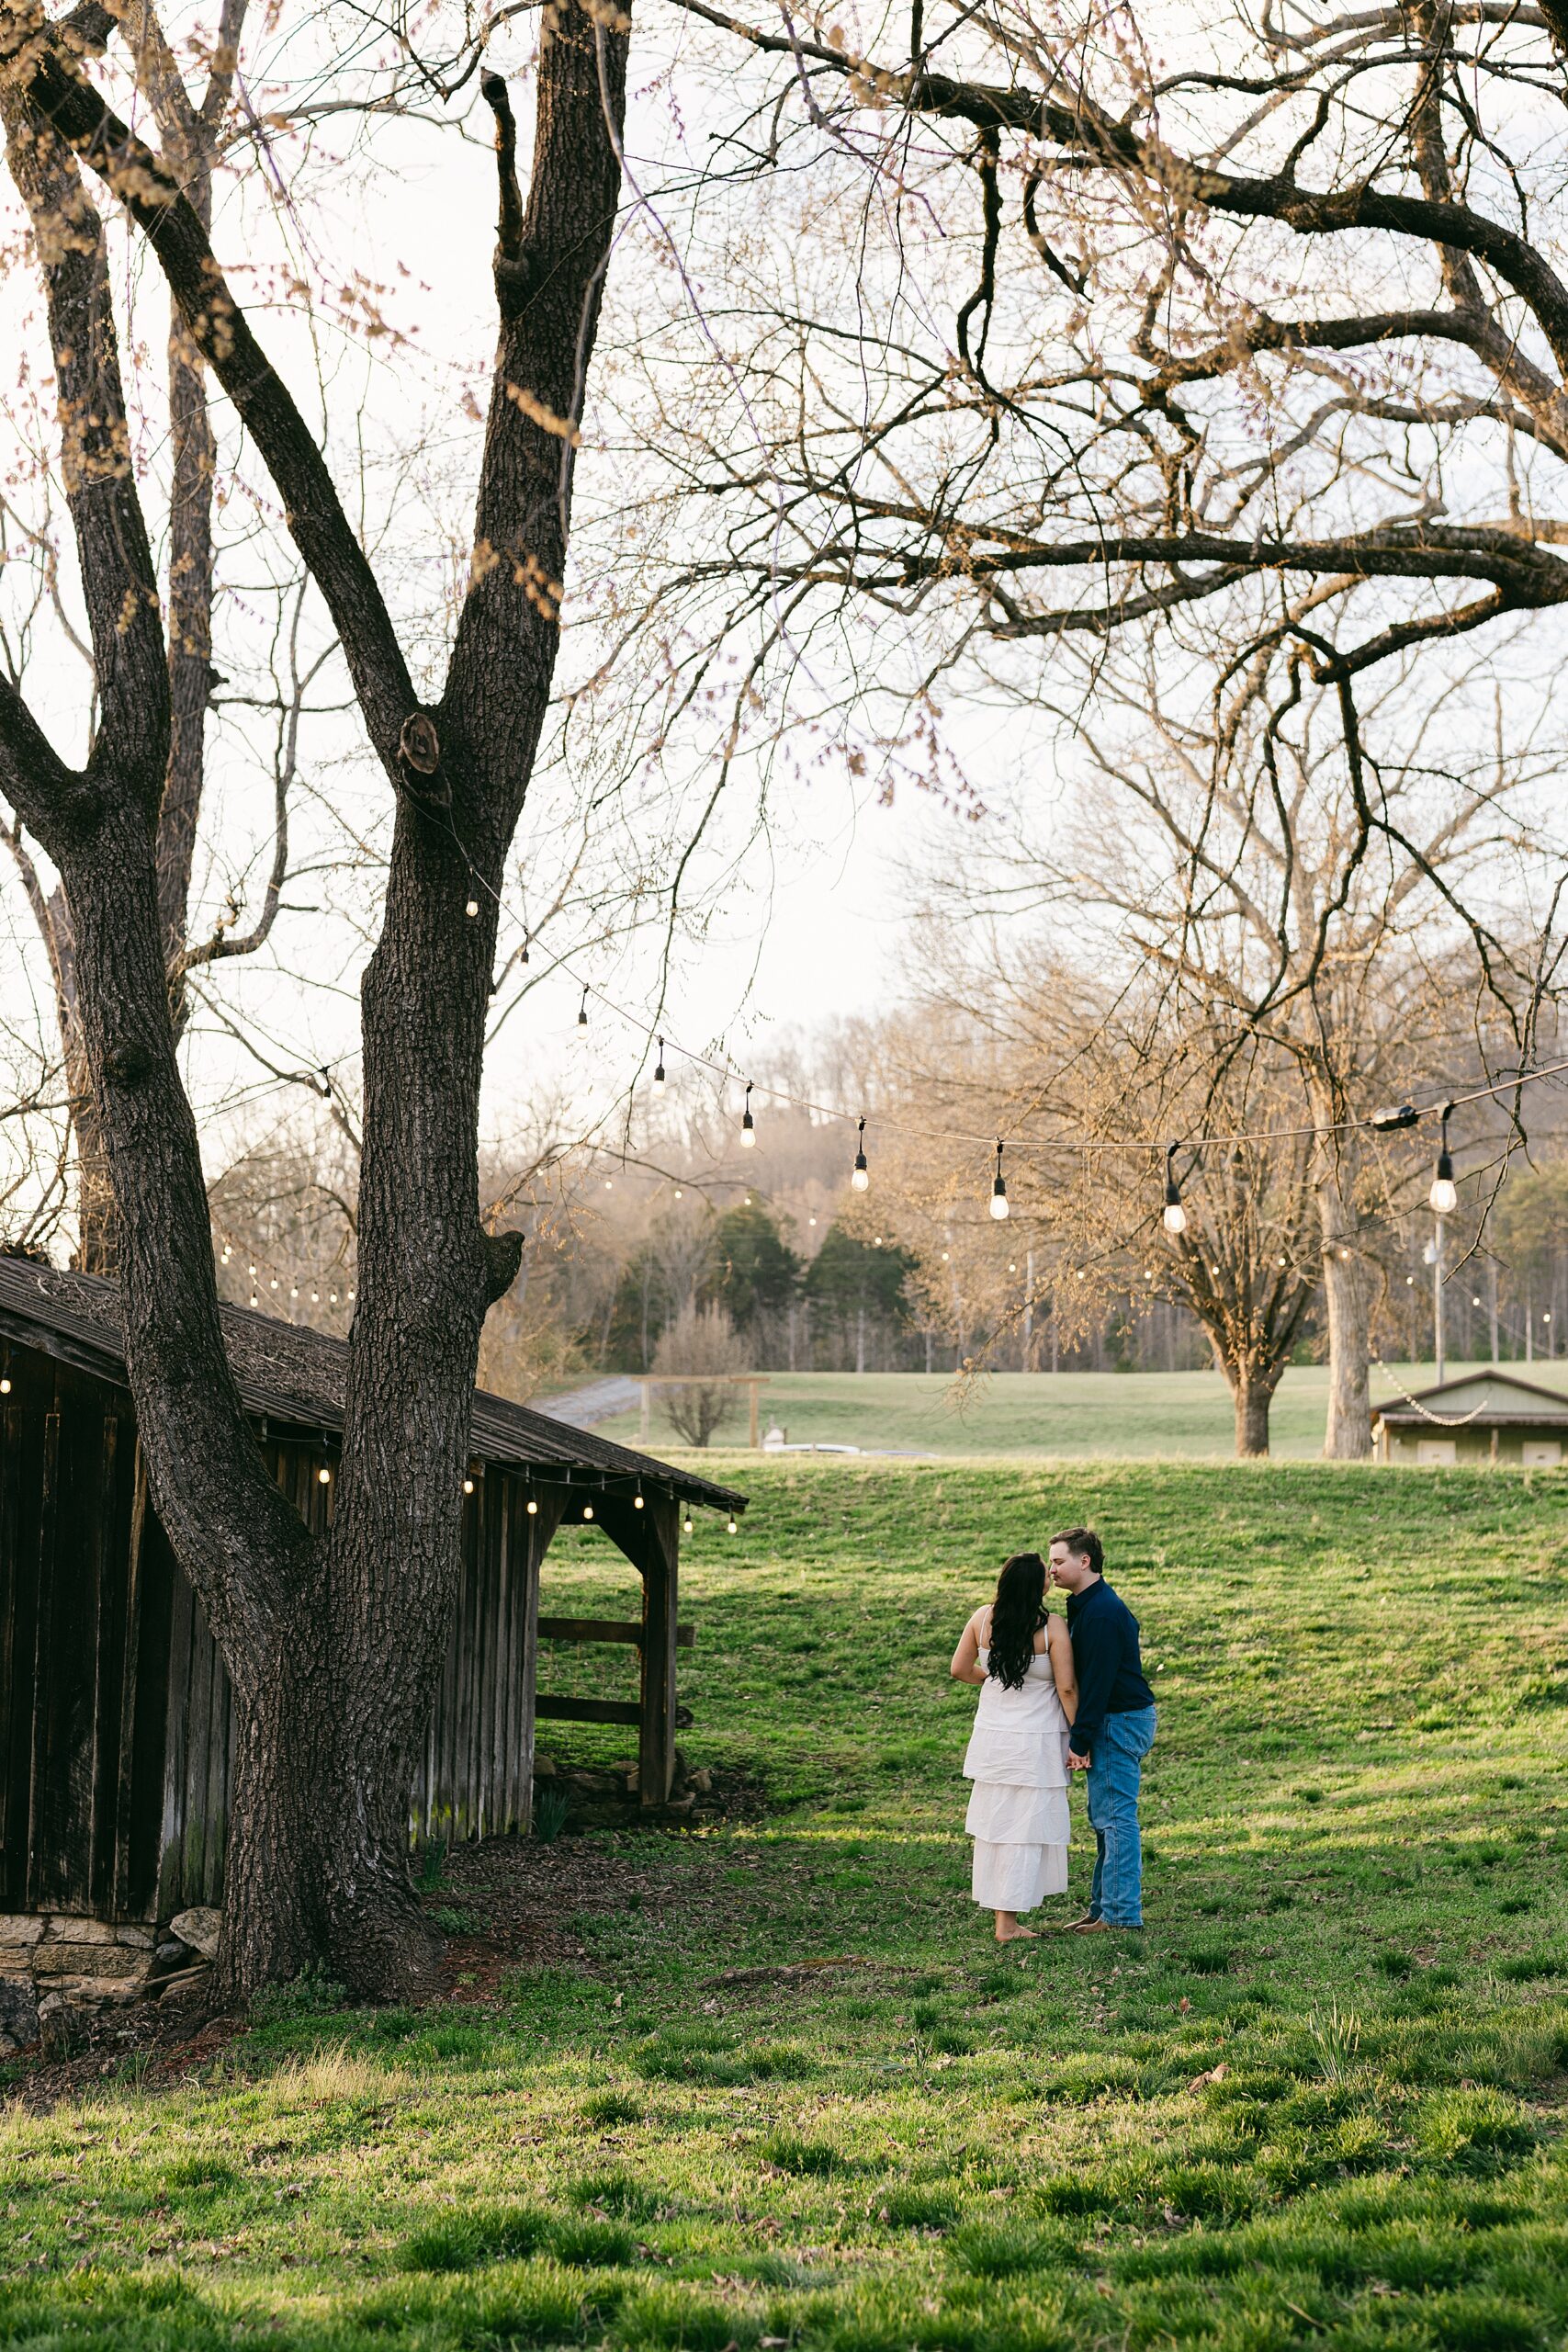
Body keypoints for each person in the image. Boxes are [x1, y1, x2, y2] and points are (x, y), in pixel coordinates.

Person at [950, 1551, 1078, 1942]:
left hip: (993, 1739)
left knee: (997, 1828)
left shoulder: (983, 1618)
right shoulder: (1051, 1626)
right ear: (1038, 1586)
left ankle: (1004, 1920)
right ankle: (1008, 1924)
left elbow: (959, 1668)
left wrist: (995, 1680)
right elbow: (1067, 1687)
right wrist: (1080, 1737)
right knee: (1024, 1828)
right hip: (1035, 1744)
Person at [1048, 1525, 1156, 1935]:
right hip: (1116, 1716)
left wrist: (1081, 1738)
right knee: (1105, 1819)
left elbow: (1097, 1683)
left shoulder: (1103, 1612)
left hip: (1119, 1719)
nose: (1053, 1570)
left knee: (1116, 1819)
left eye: (1059, 1561)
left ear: (1084, 1560)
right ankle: (1103, 1909)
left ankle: (1121, 1916)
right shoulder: (1087, 1605)